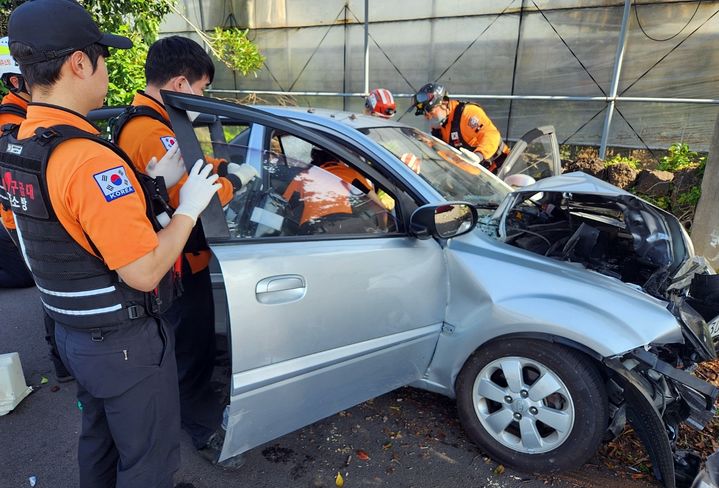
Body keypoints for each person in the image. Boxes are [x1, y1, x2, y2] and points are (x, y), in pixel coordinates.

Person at [2, 1, 220, 486]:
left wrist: (147, 190)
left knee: (99, 444)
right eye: (102, 56)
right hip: (124, 345)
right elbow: (142, 271)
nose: (106, 69)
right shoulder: (89, 161)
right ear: (80, 63)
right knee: (148, 462)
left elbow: (59, 233)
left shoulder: (20, 147)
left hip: (72, 331)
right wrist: (187, 210)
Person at [112, 35, 256, 465]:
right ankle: (200, 426)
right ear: (180, 82)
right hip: (173, 262)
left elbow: (189, 168)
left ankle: (191, 404)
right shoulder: (152, 132)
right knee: (189, 348)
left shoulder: (148, 120)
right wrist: (237, 182)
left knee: (189, 343)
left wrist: (223, 167)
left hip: (173, 257)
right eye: (202, 90)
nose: (203, 99)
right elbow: (191, 195)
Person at [0, 36, 73, 382]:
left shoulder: (24, 113)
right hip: (23, 215)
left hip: (31, 210)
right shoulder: (9, 121)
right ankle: (61, 359)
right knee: (51, 283)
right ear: (17, 81)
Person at [412, 82, 510, 174]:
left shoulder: (467, 113)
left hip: (502, 166)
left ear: (444, 103)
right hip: (476, 176)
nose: (427, 117)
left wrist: (478, 155)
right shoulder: (439, 128)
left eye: (430, 111)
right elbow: (441, 152)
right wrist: (420, 158)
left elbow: (490, 134)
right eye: (424, 114)